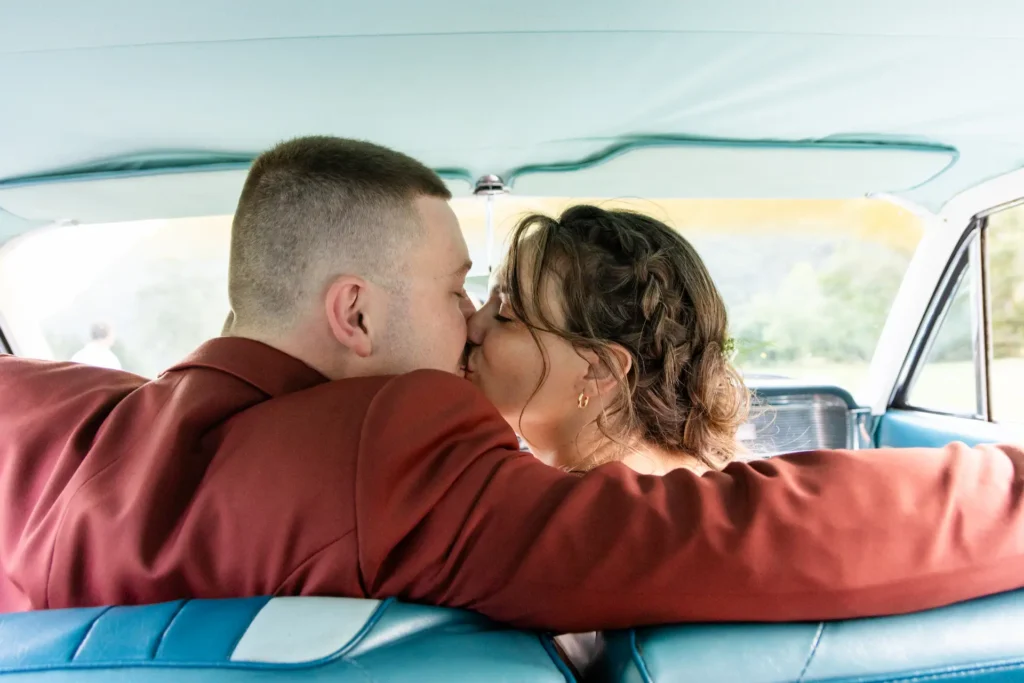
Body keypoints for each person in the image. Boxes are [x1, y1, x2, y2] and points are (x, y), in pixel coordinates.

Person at [2, 136, 1024, 634]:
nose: (470, 323)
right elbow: (736, 535)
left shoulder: (42, 414)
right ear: (354, 314)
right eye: (459, 292)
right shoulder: (385, 448)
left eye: (495, 301)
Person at [466, 205, 745, 475]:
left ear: (599, 369)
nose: (472, 326)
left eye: (505, 313)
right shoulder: (687, 484)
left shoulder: (578, 514)